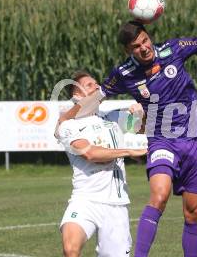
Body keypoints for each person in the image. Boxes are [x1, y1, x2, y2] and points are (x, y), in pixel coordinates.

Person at [59, 21, 197, 257]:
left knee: (193, 211)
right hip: (161, 139)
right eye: (136, 46)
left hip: (194, 139)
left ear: (149, 37)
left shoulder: (174, 48)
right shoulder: (124, 74)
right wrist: (65, 120)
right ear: (128, 51)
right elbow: (95, 99)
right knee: (159, 195)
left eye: (145, 40)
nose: (144, 47)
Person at [57, 71, 147, 257]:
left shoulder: (112, 118)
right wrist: (128, 152)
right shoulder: (67, 125)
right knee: (70, 249)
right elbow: (89, 153)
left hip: (116, 204)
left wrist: (141, 113)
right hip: (85, 200)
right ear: (77, 95)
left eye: (97, 83)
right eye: (90, 85)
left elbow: (145, 128)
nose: (98, 87)